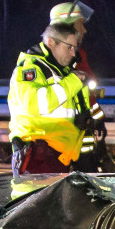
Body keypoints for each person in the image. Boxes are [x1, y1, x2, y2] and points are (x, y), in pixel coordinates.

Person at [8, 22, 90, 174]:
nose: (73, 53)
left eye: (75, 48)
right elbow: (34, 104)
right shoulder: (30, 68)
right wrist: (73, 81)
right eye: (69, 47)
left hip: (59, 160)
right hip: (37, 159)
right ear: (51, 42)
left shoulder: (64, 71)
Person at [49, 0, 112, 172]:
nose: (84, 30)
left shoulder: (80, 55)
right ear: (66, 27)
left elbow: (88, 96)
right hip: (60, 148)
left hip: (84, 144)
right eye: (80, 25)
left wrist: (98, 120)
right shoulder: (48, 63)